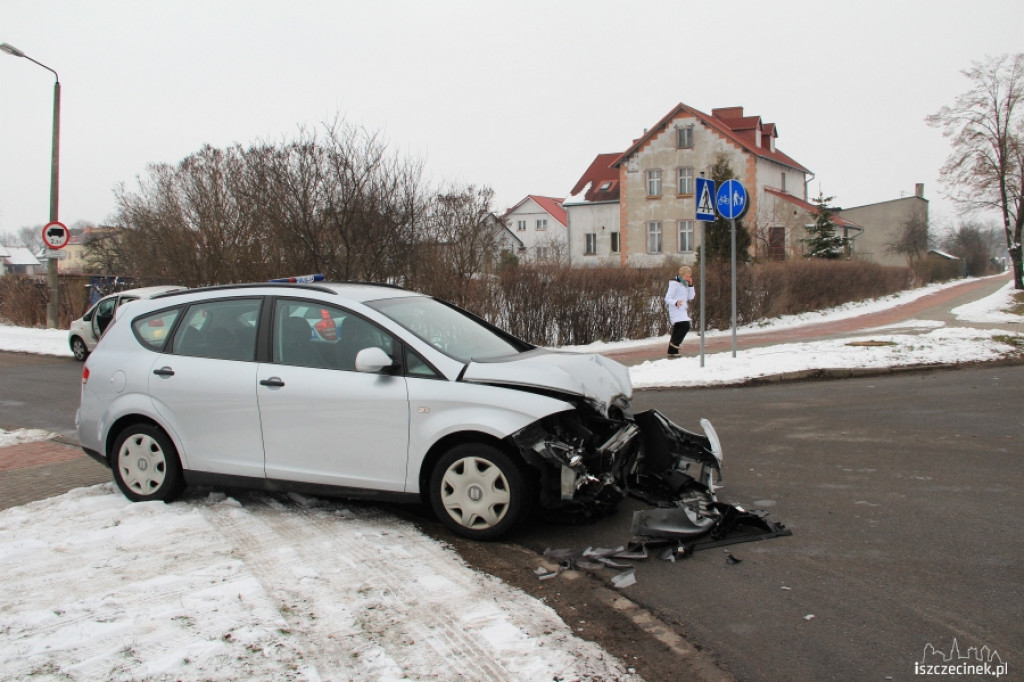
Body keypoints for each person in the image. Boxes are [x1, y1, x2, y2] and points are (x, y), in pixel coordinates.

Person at [664, 265, 695, 356]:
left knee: (678, 328)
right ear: (681, 275)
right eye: (686, 276)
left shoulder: (685, 284)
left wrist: (691, 285)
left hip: (683, 309)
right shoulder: (674, 283)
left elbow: (691, 297)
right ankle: (675, 344)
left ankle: (672, 351)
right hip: (675, 309)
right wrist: (675, 302)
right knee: (685, 325)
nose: (688, 278)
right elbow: (667, 298)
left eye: (689, 276)